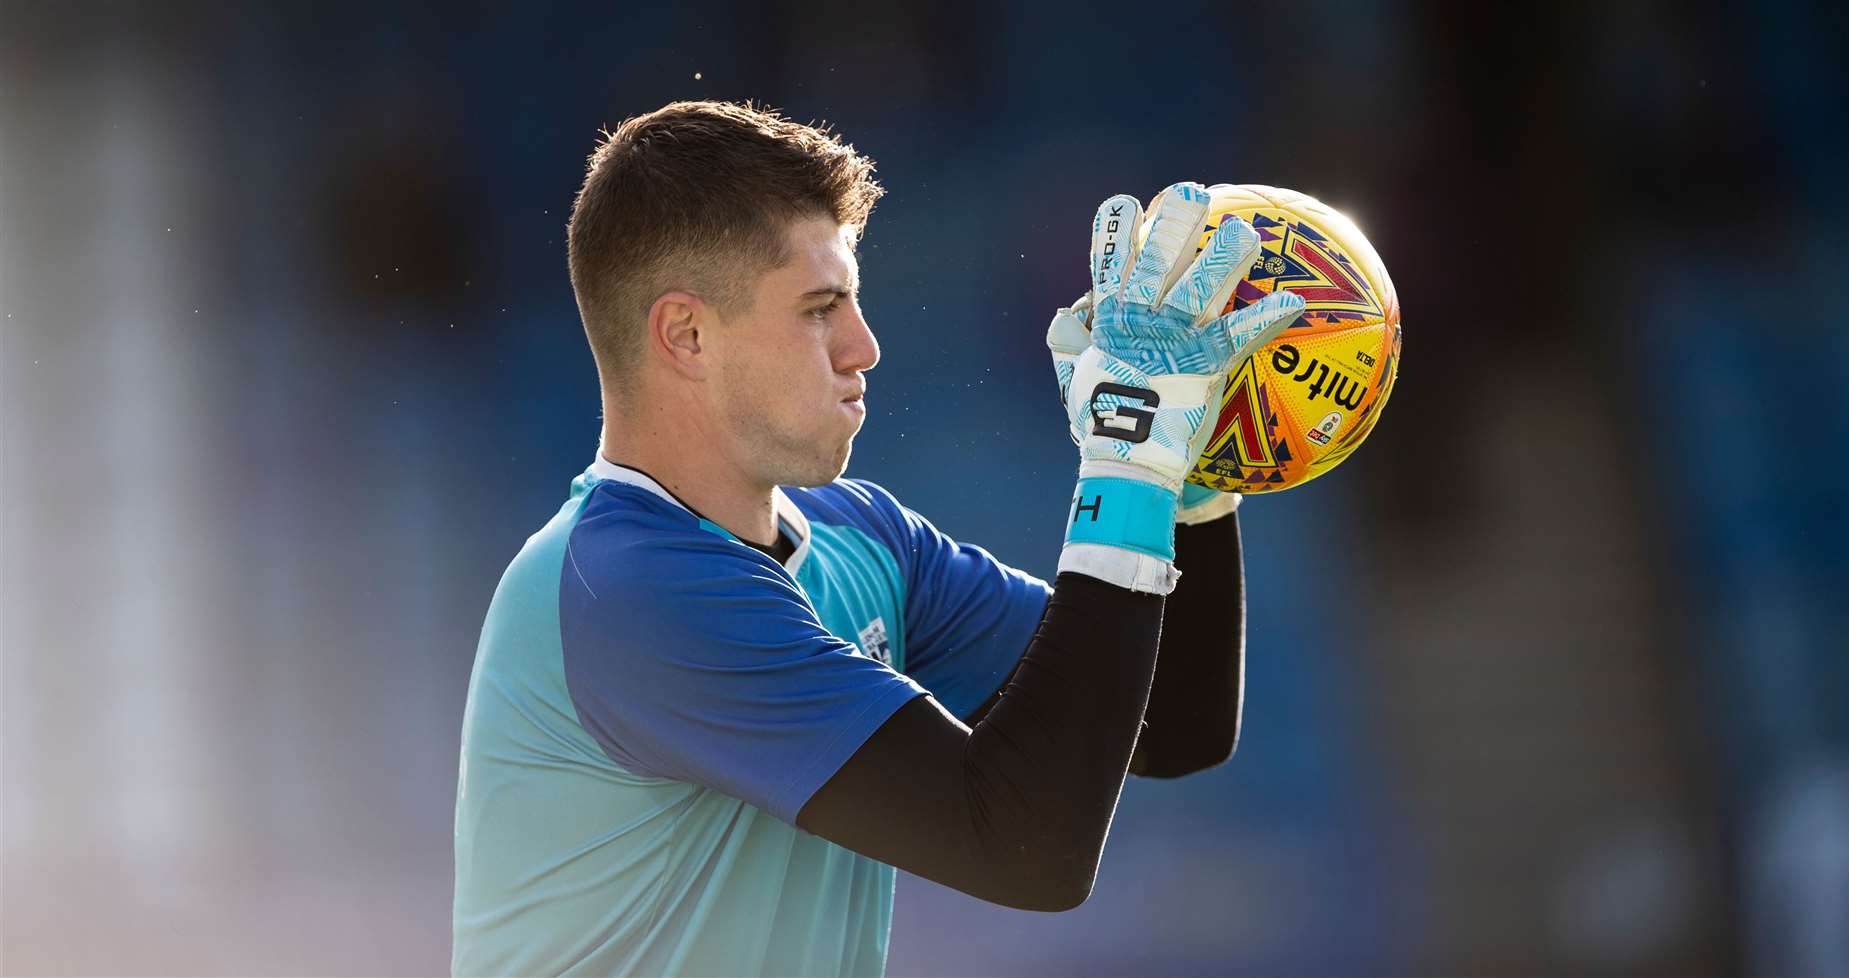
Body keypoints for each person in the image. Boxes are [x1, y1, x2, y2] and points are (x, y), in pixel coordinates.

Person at [451, 100, 1304, 977]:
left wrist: (1187, 483)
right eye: (821, 308)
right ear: (687, 334)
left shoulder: (865, 536)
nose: (865, 346)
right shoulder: (627, 590)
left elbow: (1174, 724)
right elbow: (1026, 847)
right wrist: (1128, 462)